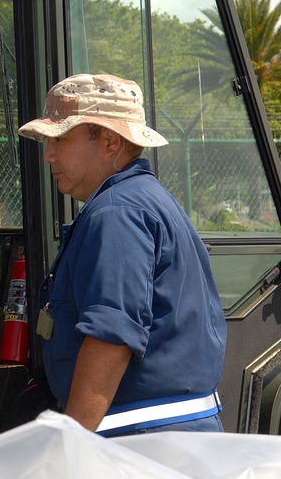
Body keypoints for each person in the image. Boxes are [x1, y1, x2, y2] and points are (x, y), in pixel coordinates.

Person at [18, 73, 227, 436]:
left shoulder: (117, 212)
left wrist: (72, 441)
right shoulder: (142, 199)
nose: (48, 154)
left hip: (139, 442)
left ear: (110, 142)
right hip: (170, 436)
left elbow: (111, 339)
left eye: (61, 138)